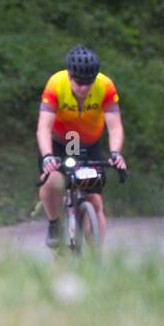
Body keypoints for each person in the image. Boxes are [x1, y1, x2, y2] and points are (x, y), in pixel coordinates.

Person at [36, 45, 127, 248]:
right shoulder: (56, 84)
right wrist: (48, 156)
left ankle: (95, 257)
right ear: (69, 75)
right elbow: (43, 127)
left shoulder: (105, 86)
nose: (84, 87)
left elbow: (115, 126)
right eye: (79, 82)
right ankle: (54, 223)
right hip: (59, 142)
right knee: (52, 181)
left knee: (95, 200)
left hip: (89, 143)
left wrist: (115, 153)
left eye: (89, 82)